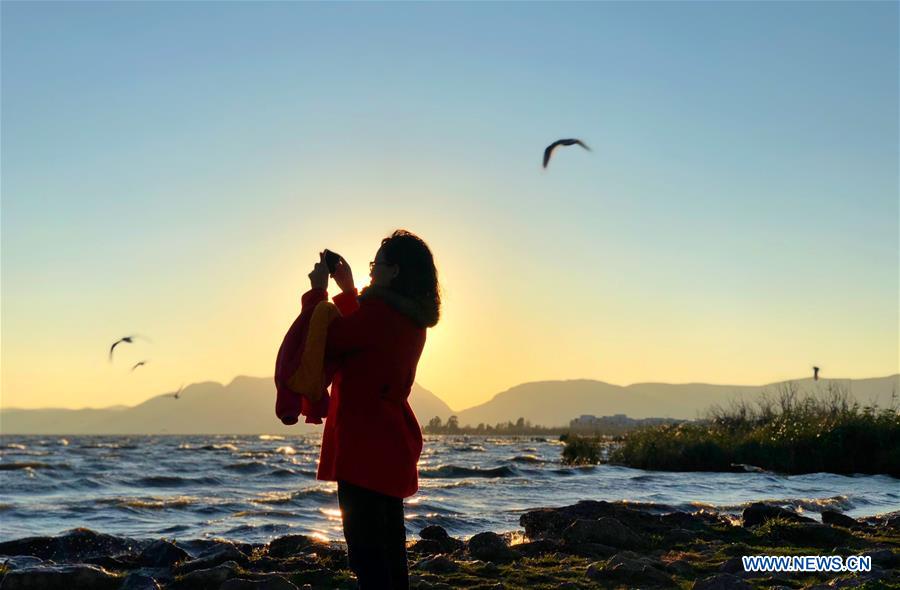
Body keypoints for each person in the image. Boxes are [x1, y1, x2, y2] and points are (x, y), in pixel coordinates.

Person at [302, 229, 440, 590]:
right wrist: (348, 290)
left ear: (393, 271)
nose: (371, 270)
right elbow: (362, 335)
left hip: (363, 445)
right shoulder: (410, 319)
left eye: (375, 264)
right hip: (391, 443)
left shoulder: (378, 315)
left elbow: (330, 340)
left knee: (366, 555)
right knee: (391, 550)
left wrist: (318, 293)